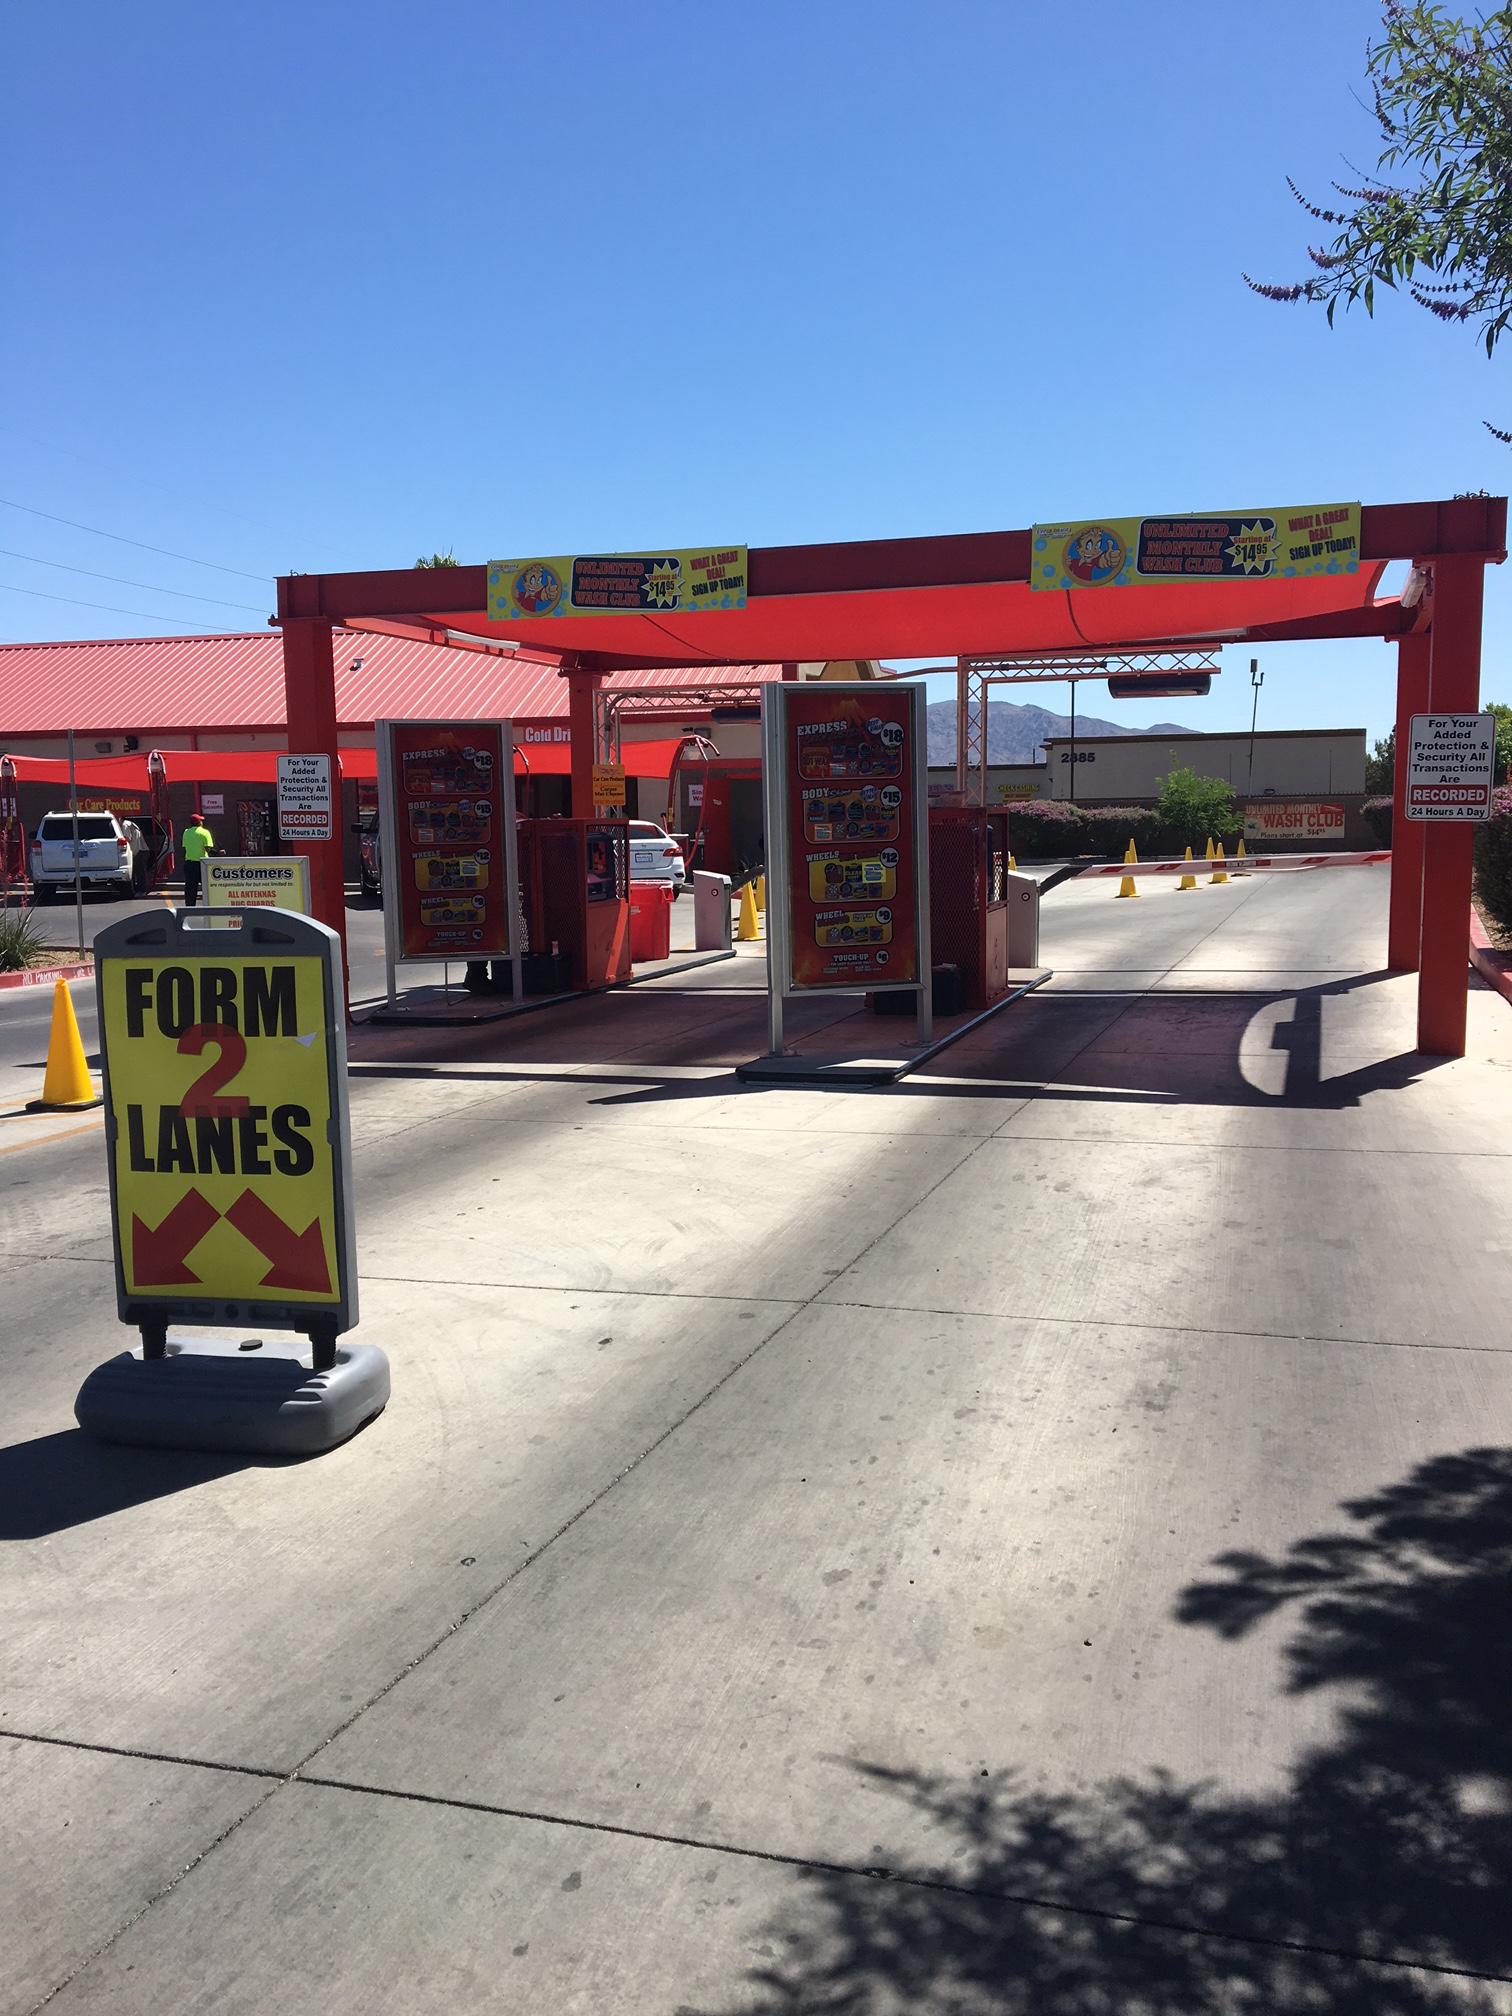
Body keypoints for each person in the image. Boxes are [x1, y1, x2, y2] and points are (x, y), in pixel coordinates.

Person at [180, 811, 215, 905]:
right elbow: (208, 849)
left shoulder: (186, 832)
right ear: (199, 822)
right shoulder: (205, 832)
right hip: (202, 864)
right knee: (207, 888)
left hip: (189, 864)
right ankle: (208, 906)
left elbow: (185, 846)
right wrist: (219, 852)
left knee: (190, 889)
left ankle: (190, 909)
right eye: (201, 821)